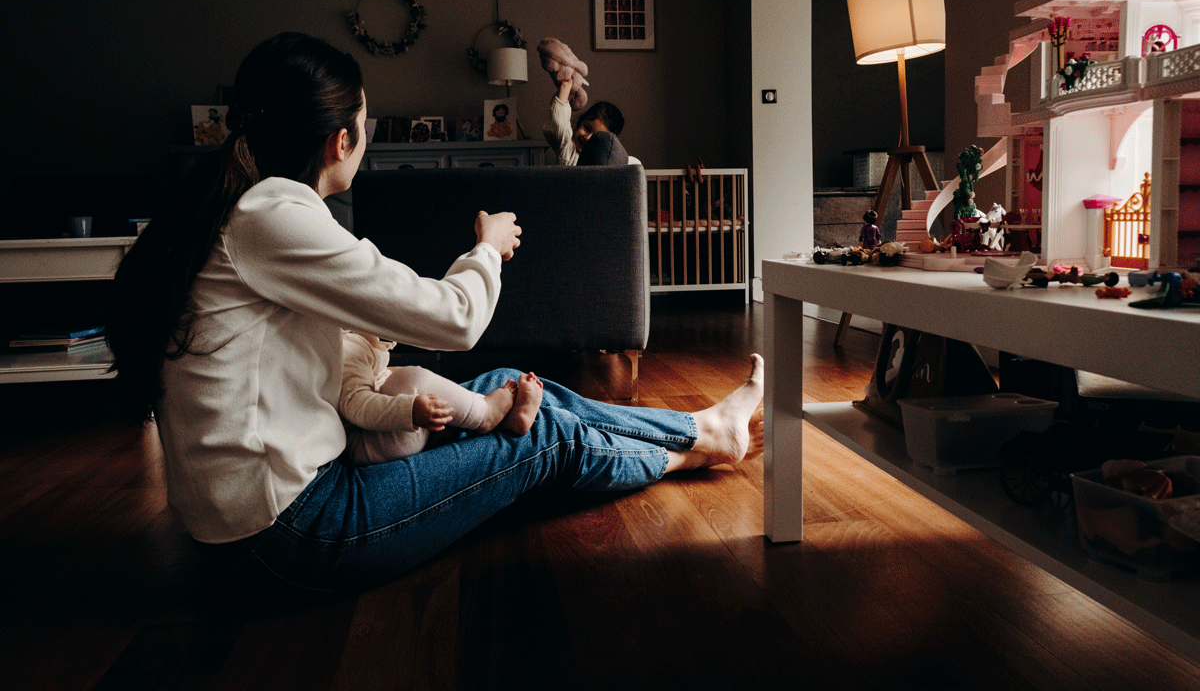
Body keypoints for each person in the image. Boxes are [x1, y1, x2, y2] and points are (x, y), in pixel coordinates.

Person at [106, 32, 764, 596]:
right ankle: (699, 448)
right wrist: (487, 250)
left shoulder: (238, 201)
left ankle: (694, 427)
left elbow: (386, 314)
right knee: (540, 438)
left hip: (269, 513)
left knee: (506, 386)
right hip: (289, 535)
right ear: (341, 141)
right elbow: (454, 321)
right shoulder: (271, 214)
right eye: (364, 123)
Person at [339, 328, 543, 466]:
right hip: (371, 444)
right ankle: (485, 414)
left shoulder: (353, 339)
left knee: (411, 383)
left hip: (384, 435)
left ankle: (505, 420)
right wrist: (409, 410)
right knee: (410, 379)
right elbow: (357, 406)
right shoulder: (348, 347)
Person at [543, 77, 636, 166]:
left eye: (596, 137)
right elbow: (559, 124)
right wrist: (565, 86)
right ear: (580, 122)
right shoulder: (568, 148)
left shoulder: (605, 164)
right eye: (587, 128)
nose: (588, 138)